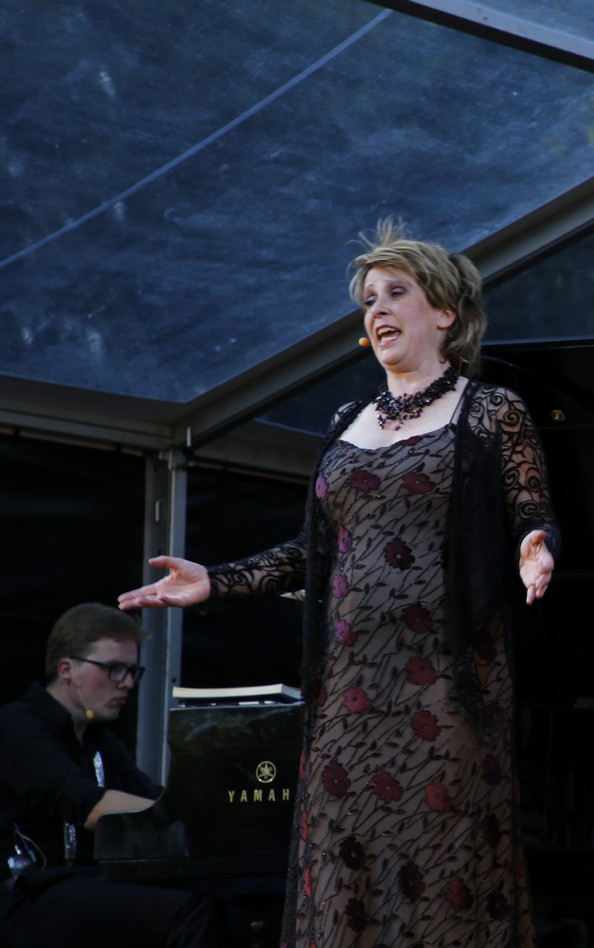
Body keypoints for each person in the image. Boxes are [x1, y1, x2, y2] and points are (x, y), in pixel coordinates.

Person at [118, 220, 559, 947]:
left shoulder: (489, 409)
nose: (376, 309)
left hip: (446, 684)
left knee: (438, 872)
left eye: (395, 293)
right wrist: (216, 582)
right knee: (343, 870)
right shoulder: (346, 419)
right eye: (368, 299)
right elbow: (312, 550)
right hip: (348, 694)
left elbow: (530, 508)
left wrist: (535, 545)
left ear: (444, 312)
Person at [0, 603, 232, 947]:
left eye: (132, 671)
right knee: (192, 910)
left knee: (225, 898)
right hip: (25, 895)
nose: (127, 683)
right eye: (114, 668)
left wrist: (217, 815)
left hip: (83, 885)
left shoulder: (101, 739)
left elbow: (150, 797)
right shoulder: (17, 725)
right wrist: (194, 816)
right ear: (66, 669)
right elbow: (90, 806)